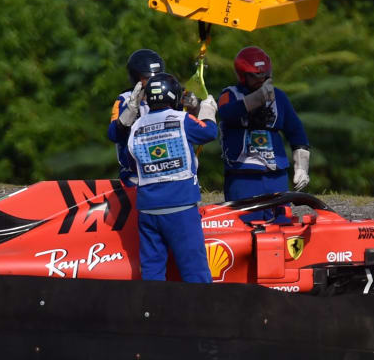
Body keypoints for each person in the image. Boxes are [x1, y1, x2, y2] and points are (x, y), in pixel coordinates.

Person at [115, 72, 218, 282]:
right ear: (173, 97)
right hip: (180, 208)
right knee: (194, 271)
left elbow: (131, 161)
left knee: (152, 272)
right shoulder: (181, 119)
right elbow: (209, 132)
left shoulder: (136, 127)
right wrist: (207, 109)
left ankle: (152, 313)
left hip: (148, 210)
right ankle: (202, 312)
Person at [216, 46, 309, 222]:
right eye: (255, 75)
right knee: (244, 224)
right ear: (243, 75)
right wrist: (257, 99)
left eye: (264, 74)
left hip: (276, 174)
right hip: (243, 174)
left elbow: (296, 130)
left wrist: (302, 167)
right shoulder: (230, 94)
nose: (261, 79)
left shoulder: (279, 97)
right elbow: (226, 112)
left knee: (281, 225)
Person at [107, 49, 165, 186]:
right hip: (134, 172)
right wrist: (129, 113)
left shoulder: (168, 95)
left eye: (157, 78)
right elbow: (113, 135)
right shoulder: (125, 99)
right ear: (136, 78)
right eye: (148, 79)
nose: (153, 83)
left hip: (165, 166)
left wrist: (193, 106)